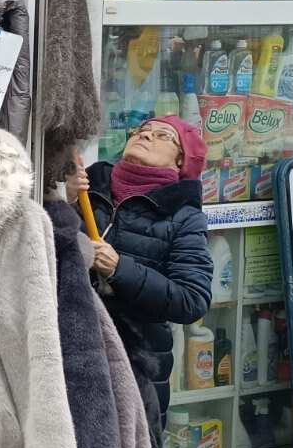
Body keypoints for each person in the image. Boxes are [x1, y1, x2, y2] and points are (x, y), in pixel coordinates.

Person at [66, 115, 212, 422]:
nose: (145, 136)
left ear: (181, 160)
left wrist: (119, 269)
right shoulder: (88, 189)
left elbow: (192, 299)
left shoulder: (183, 217)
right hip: (74, 351)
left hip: (138, 367)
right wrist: (63, 200)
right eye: (142, 130)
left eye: (162, 135)